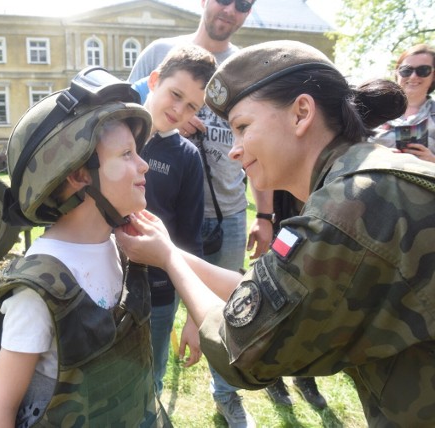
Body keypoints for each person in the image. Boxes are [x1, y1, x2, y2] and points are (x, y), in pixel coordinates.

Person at [115, 40, 435, 427]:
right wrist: (170, 250)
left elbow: (243, 350)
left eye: (242, 128)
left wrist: (168, 259)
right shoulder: (367, 179)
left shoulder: (348, 209)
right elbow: (271, 292)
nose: (234, 151)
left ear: (301, 113)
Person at [0, 68, 171, 427]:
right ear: (80, 174)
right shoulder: (40, 288)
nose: (143, 164)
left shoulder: (126, 249)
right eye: (126, 154)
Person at [128, 1, 271, 426]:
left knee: (222, 310)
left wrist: (264, 216)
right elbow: (120, 110)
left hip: (223, 212)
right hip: (151, 215)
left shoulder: (248, 66)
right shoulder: (161, 51)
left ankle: (225, 393)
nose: (231, 9)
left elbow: (258, 146)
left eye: (243, 4)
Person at [137, 44, 216, 395]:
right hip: (99, 286)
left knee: (149, 381)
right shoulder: (111, 130)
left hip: (158, 295)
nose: (179, 110)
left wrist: (193, 318)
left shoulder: (187, 158)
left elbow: (189, 240)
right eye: (175, 94)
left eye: (192, 107)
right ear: (154, 80)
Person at [263, 190, 327, 410]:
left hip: (323, 237)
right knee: (277, 302)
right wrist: (264, 217)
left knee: (312, 309)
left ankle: (304, 376)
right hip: (285, 228)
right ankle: (271, 375)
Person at [372, 43, 435, 163]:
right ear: (397, 73)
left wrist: (432, 160)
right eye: (406, 70)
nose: (413, 76)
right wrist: (376, 154)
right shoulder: (372, 110)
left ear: (434, 75)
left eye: (423, 70)